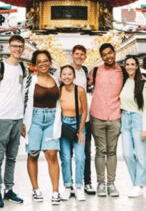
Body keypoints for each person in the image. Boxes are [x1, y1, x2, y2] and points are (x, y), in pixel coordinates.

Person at [0, 35, 27, 208]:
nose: (17, 49)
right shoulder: (0, 66)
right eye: (14, 46)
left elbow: (22, 94)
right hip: (2, 118)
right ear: (9, 47)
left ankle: (9, 190)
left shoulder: (23, 68)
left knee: (12, 157)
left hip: (17, 118)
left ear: (23, 48)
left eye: (20, 46)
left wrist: (23, 121)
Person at [23, 49, 63, 205]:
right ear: (35, 64)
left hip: (52, 120)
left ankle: (55, 191)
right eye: (39, 62)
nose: (43, 64)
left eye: (45, 60)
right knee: (33, 153)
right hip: (34, 119)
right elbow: (22, 101)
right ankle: (35, 189)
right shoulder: (29, 80)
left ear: (50, 62)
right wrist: (22, 123)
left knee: (52, 154)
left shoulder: (56, 80)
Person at [88, 42, 124, 197]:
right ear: (101, 57)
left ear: (114, 52)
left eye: (110, 53)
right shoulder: (95, 71)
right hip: (97, 115)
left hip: (115, 116)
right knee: (100, 150)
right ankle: (101, 183)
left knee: (112, 151)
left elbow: (135, 83)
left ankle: (111, 183)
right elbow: (80, 83)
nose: (108, 56)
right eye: (104, 55)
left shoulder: (122, 71)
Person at [120, 55, 146, 198]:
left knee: (140, 155)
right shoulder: (123, 82)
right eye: (127, 64)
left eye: (133, 64)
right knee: (127, 154)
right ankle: (136, 183)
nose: (130, 67)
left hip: (138, 119)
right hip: (125, 119)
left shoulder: (143, 84)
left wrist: (145, 128)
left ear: (137, 66)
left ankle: (139, 184)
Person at [57, 65, 88, 201]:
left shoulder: (80, 90)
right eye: (64, 74)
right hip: (63, 125)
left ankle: (79, 186)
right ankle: (68, 186)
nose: (67, 77)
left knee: (80, 157)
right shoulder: (58, 90)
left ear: (74, 76)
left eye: (70, 74)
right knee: (65, 157)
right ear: (60, 77)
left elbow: (85, 111)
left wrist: (80, 131)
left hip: (78, 123)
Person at [69, 44, 96, 194]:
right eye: (77, 54)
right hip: (68, 118)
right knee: (68, 154)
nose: (79, 57)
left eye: (82, 54)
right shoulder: (65, 71)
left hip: (85, 119)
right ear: (72, 55)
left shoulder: (85, 71)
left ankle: (87, 182)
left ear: (85, 57)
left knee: (85, 152)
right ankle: (69, 184)